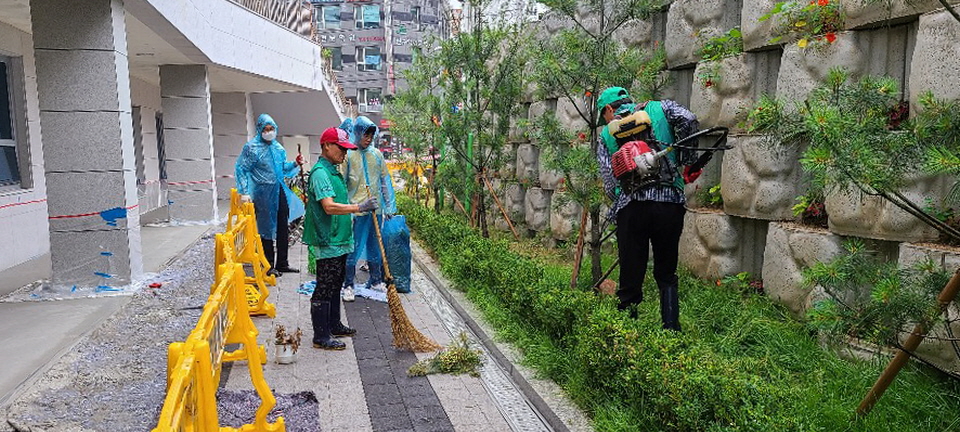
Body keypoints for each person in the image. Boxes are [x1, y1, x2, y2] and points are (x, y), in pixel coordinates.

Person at [595, 87, 701, 331]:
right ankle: (671, 333)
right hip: (669, 205)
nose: (605, 120)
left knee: (630, 277)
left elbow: (610, 183)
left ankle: (626, 338)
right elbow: (689, 119)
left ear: (609, 109)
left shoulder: (606, 135)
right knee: (666, 274)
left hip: (632, 210)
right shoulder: (661, 108)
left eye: (604, 114)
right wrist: (686, 160)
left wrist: (623, 197)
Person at [302, 127, 379, 350]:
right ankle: (321, 336)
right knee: (325, 285)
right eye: (341, 148)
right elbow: (328, 207)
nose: (344, 154)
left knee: (336, 282)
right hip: (328, 240)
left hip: (340, 238)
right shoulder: (320, 173)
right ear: (327, 146)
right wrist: (359, 207)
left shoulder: (333, 170)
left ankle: (334, 325)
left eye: (346, 150)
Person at [235, 113, 305, 277]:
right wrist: (244, 192)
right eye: (266, 129)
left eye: (272, 128)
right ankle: (268, 266)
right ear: (259, 130)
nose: (269, 132)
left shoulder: (278, 148)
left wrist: (295, 163)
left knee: (282, 225)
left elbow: (283, 169)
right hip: (263, 193)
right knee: (265, 228)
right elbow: (241, 169)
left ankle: (282, 263)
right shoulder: (251, 148)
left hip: (279, 190)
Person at [340, 116, 397, 302]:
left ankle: (375, 280)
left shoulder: (377, 155)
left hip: (376, 210)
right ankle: (348, 284)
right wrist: (345, 209)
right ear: (357, 133)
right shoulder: (349, 155)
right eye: (366, 134)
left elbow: (384, 181)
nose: (369, 138)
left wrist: (389, 206)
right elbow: (342, 183)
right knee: (353, 247)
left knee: (375, 245)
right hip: (357, 210)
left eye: (371, 134)